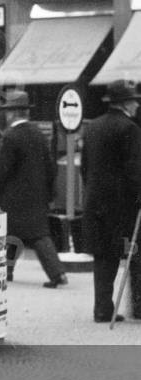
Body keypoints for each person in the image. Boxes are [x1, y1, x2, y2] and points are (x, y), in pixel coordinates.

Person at [82, 78, 141, 322]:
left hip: (95, 202)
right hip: (122, 206)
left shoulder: (92, 127)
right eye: (135, 101)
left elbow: (85, 166)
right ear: (127, 103)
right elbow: (134, 171)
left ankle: (102, 309)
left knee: (103, 256)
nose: (137, 106)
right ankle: (138, 307)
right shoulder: (130, 129)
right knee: (135, 253)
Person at [0, 90, 67, 288]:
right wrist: (50, 191)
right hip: (37, 196)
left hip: (14, 198)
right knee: (29, 235)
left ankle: (53, 273)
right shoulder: (38, 134)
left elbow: (2, 170)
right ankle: (10, 271)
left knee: (17, 236)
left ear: (11, 114)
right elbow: (51, 167)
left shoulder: (11, 137)